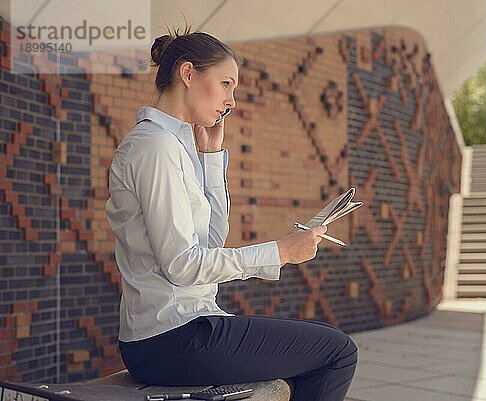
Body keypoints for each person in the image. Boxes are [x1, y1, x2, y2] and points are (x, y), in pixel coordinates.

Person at [104, 28, 358, 401]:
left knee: (319, 355)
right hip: (171, 337)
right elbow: (182, 265)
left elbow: (209, 243)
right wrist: (281, 253)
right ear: (187, 74)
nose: (231, 101)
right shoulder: (154, 146)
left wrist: (209, 161)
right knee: (337, 352)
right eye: (225, 84)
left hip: (184, 327)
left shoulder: (175, 145)